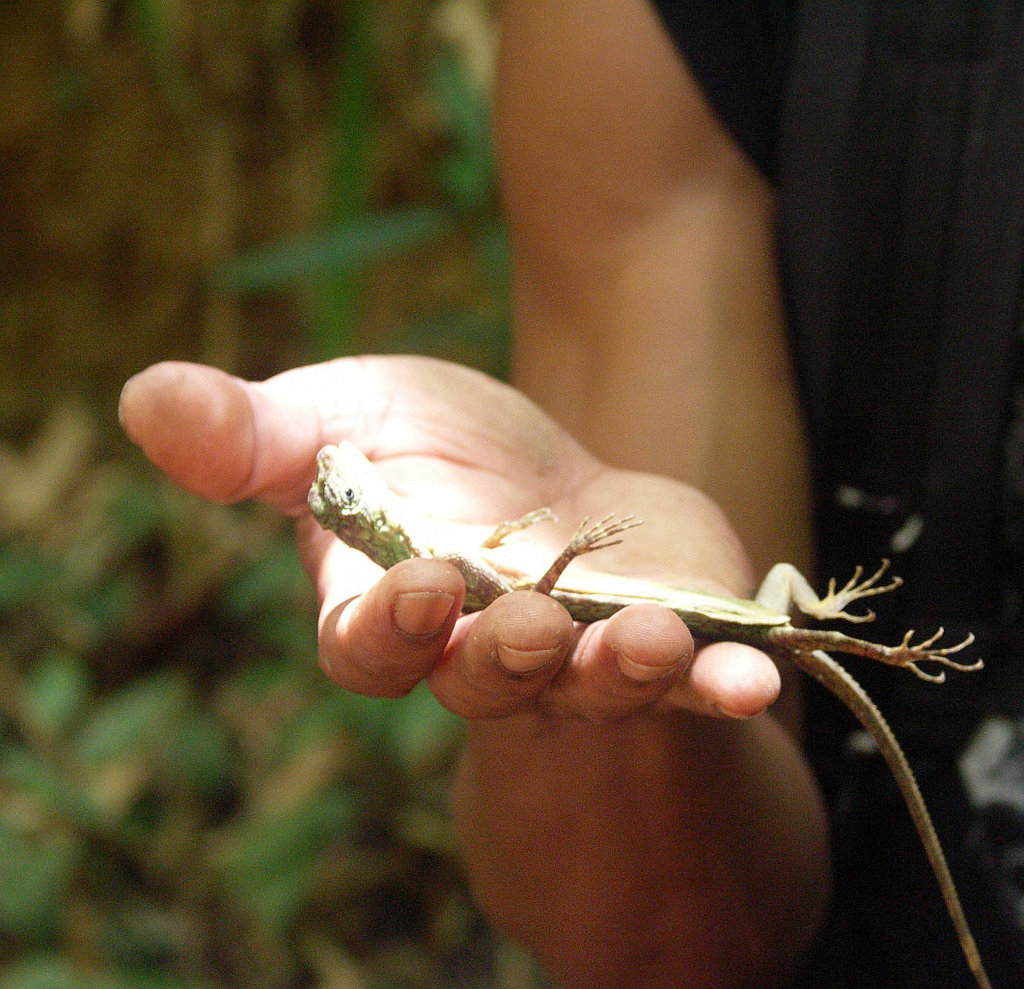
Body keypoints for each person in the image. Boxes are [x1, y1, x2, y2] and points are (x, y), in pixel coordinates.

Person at [119, 1, 1024, 986]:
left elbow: (531, 577)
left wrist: (556, 549)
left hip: (715, 622)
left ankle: (873, 641)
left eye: (344, 484)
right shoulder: (440, 566)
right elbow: (532, 594)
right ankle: (874, 646)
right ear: (369, 525)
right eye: (345, 493)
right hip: (727, 672)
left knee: (785, 623)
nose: (348, 479)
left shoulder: (450, 554)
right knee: (773, 624)